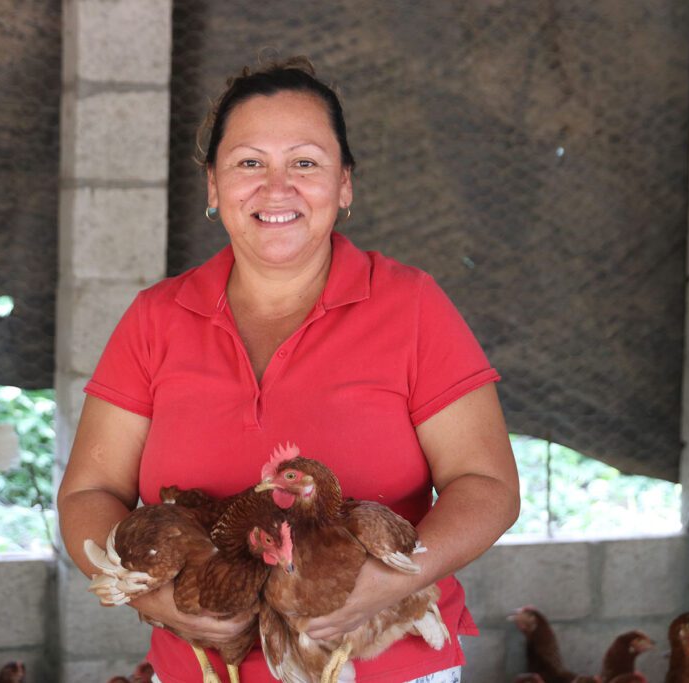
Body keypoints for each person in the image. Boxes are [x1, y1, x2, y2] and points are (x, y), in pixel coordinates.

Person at [57, 56, 520, 683]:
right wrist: (155, 598)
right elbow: (89, 493)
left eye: (305, 163)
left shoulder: (409, 305)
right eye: (250, 163)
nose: (277, 189)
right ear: (215, 187)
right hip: (197, 671)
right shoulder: (156, 318)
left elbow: (487, 483)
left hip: (385, 666)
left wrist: (382, 584)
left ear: (345, 184)